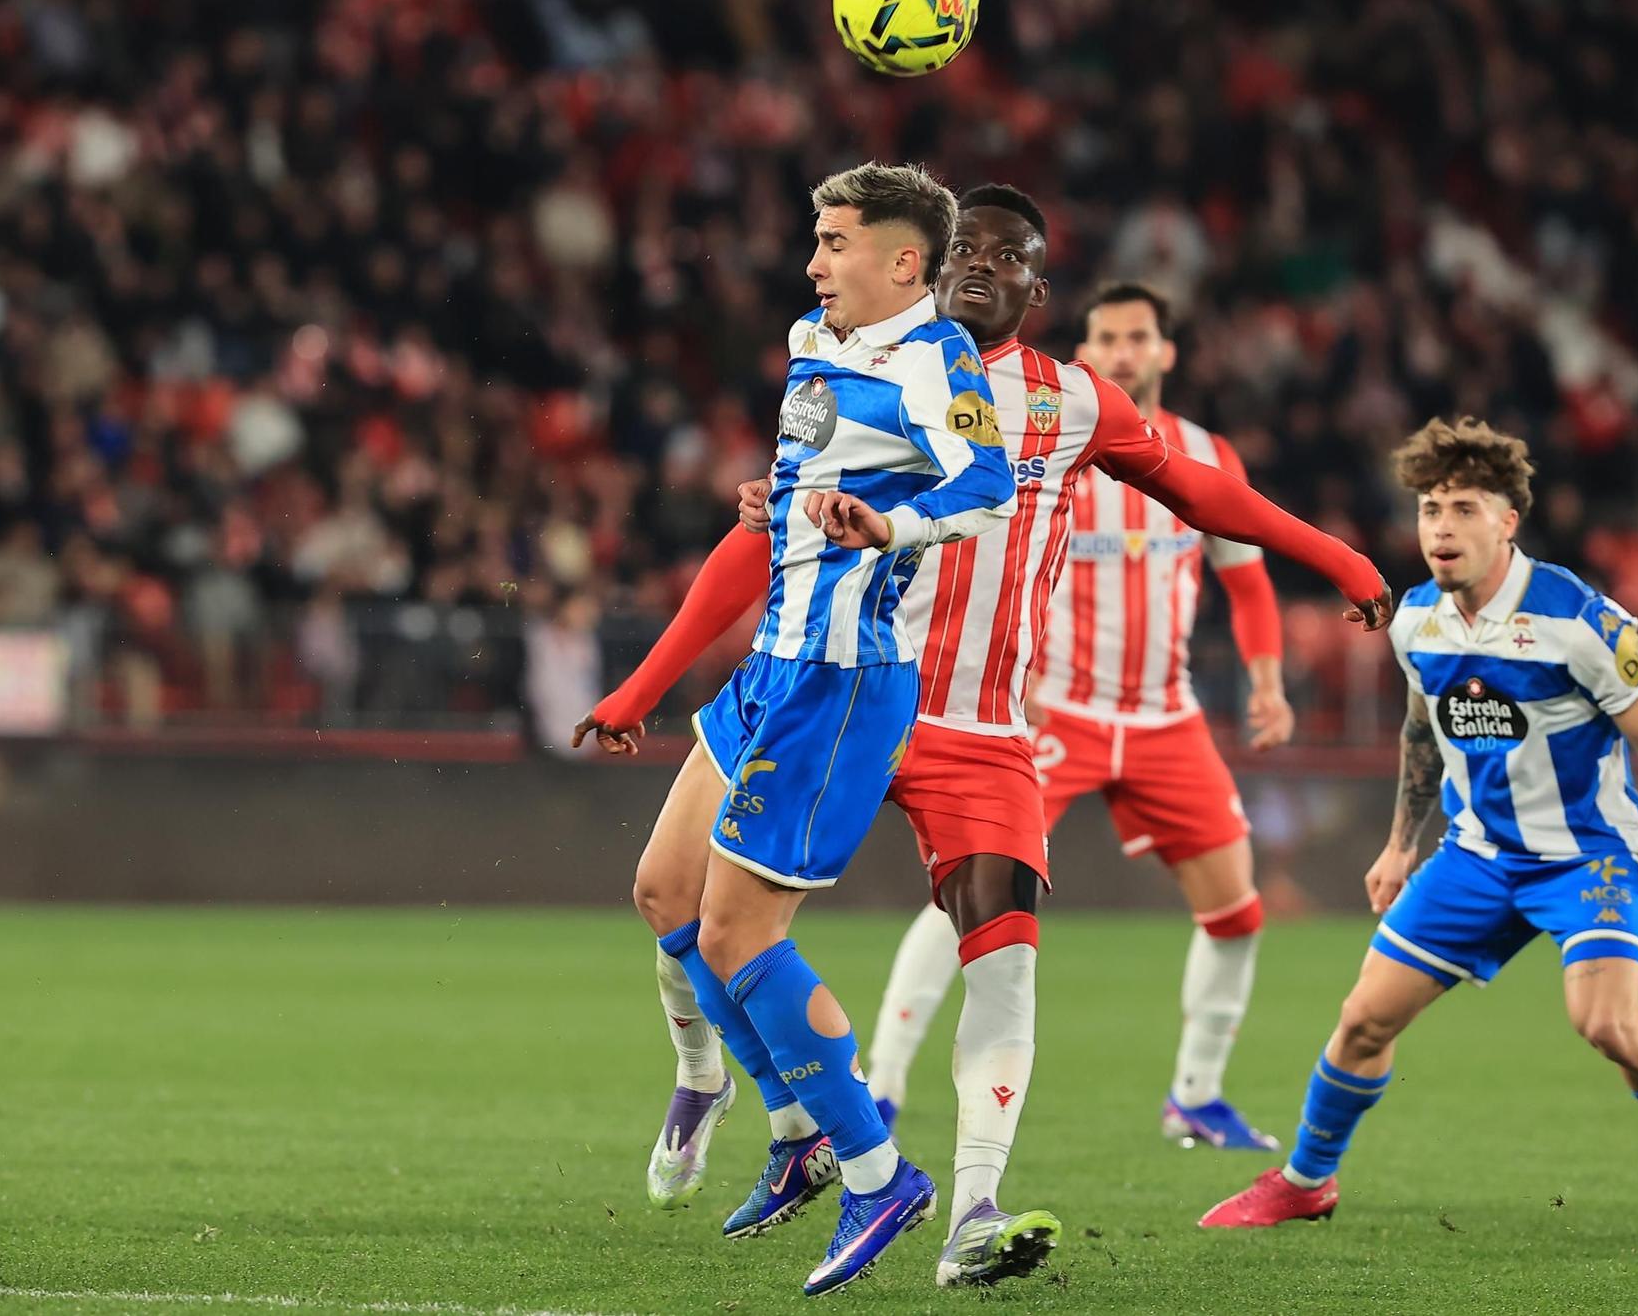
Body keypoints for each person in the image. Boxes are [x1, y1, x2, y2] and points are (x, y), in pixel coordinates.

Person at [586, 184, 1394, 1288]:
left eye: (1005, 254)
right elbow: (764, 536)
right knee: (668, 897)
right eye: (962, 246)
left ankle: (969, 1207)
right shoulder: (849, 355)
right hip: (819, 680)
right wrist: (644, 685)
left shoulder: (1068, 403)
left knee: (1000, 963)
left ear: (1034, 287)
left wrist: (1339, 558)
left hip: (976, 725)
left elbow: (1204, 496)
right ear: (925, 261)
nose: (978, 264)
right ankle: (766, 1111)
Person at [572, 161, 1018, 1297]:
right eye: (814, 241)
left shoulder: (935, 360)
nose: (813, 262)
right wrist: (777, 501)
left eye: (833, 242)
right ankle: (796, 1127)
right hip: (769, 664)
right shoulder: (813, 341)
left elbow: (987, 486)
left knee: (738, 935)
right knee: (665, 895)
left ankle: (877, 1170)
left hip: (839, 683)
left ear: (901, 261)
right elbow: (792, 489)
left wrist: (890, 521)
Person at [1197, 418, 1638, 1247]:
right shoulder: (1416, 620)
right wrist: (1400, 843)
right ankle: (1306, 1180)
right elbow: (1421, 731)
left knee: (1608, 1025)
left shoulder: (1580, 620)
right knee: (1363, 1020)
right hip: (1477, 857)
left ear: (1508, 520)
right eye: (1429, 509)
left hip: (1585, 855)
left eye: (1464, 509)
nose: (1441, 528)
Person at [865, 281, 1296, 1157]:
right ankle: (884, 1084)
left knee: (1237, 911)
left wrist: (1266, 679)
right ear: (1086, 347)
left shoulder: (1208, 453)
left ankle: (1197, 1097)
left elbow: (1247, 582)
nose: (1124, 351)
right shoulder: (1056, 439)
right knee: (969, 898)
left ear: (1168, 351)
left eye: (1141, 336)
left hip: (1167, 717)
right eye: (1107, 336)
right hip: (1057, 710)